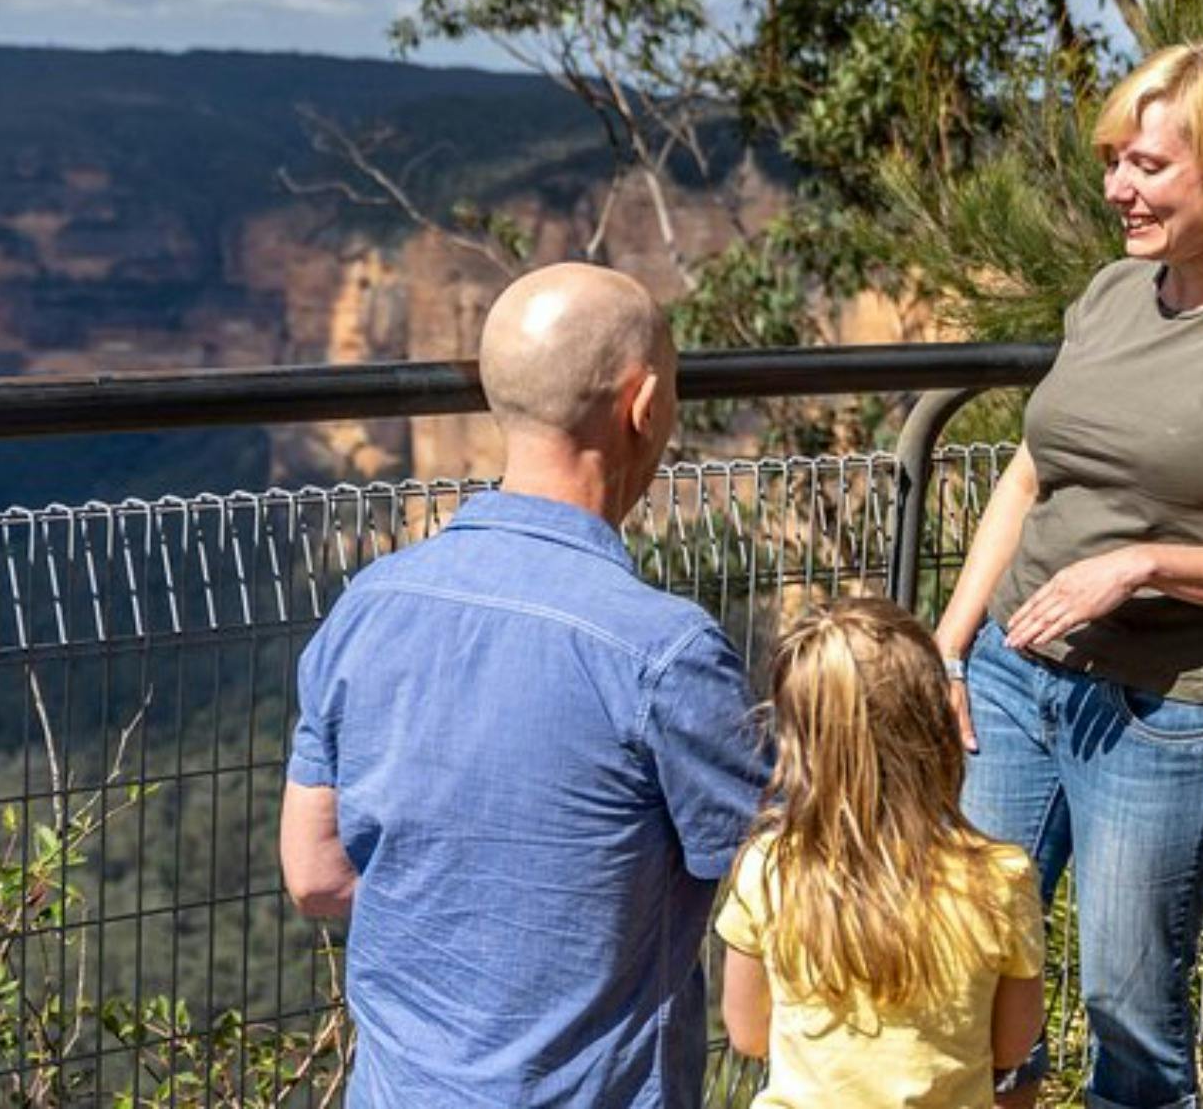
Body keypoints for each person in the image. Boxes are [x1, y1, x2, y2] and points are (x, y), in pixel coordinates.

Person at [931, 41, 1203, 1109]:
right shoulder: (1112, 295)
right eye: (1115, 161)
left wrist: (1146, 564)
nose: (1118, 188)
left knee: (1128, 1007)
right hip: (1012, 681)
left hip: (1165, 716)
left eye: (1149, 167)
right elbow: (1031, 472)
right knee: (973, 976)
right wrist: (950, 641)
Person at [277, 262, 772, 1108]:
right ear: (644, 406)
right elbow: (790, 871)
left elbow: (315, 874)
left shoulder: (368, 605)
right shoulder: (664, 651)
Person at [716, 597, 1046, 1108]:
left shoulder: (769, 867)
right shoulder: (1000, 878)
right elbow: (1013, 1044)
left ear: (801, 744)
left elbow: (746, 1034)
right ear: (937, 725)